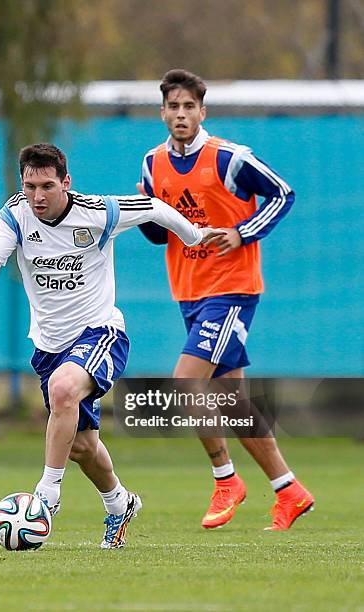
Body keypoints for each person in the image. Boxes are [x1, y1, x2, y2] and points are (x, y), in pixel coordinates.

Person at [0, 143, 222, 548]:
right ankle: (119, 503)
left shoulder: (98, 212)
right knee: (83, 447)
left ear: (66, 182)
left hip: (100, 333)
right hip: (50, 347)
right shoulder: (14, 215)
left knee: (64, 389)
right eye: (30, 186)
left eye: (47, 186)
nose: (38, 196)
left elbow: (154, 207)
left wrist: (193, 238)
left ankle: (47, 496)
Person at [137, 69, 314, 531]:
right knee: (230, 398)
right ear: (162, 113)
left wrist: (241, 232)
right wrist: (145, 215)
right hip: (189, 291)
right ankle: (289, 490)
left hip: (232, 289)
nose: (180, 114)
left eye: (188, 107)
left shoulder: (230, 158)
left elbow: (283, 193)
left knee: (184, 383)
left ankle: (225, 479)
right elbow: (162, 235)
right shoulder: (152, 163)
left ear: (202, 112)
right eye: (172, 107)